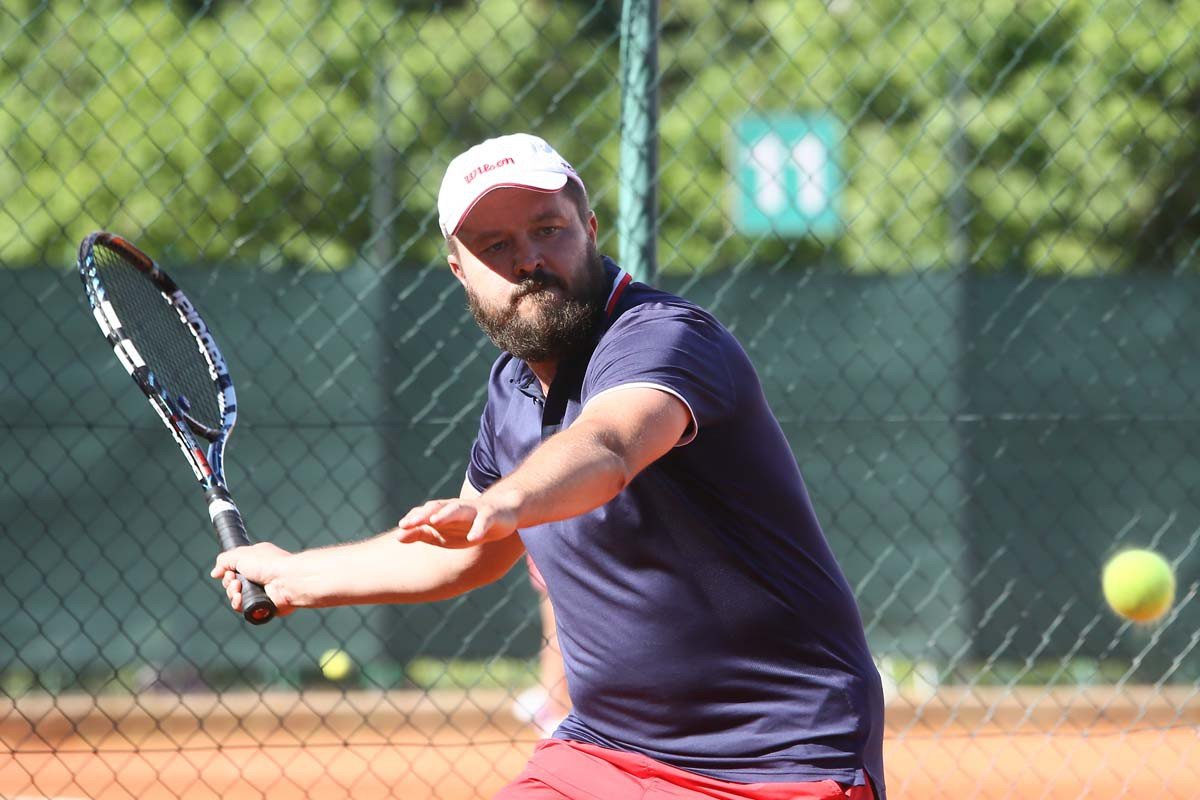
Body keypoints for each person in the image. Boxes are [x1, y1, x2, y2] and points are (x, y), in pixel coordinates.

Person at [211, 132, 886, 800]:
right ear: (459, 270)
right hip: (604, 750)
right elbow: (465, 554)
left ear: (588, 230)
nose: (529, 258)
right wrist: (296, 576)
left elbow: (608, 446)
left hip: (778, 759)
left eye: (547, 230)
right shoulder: (511, 388)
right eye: (495, 245)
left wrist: (500, 503)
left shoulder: (665, 336)